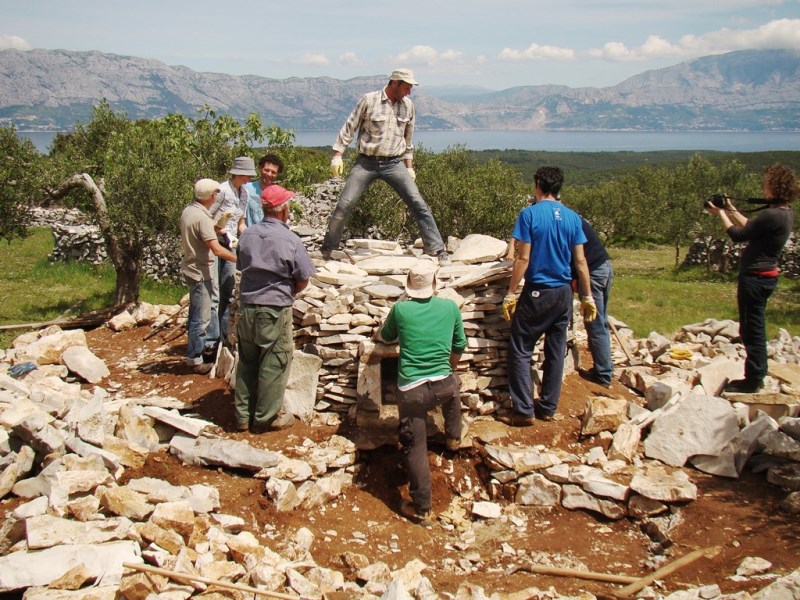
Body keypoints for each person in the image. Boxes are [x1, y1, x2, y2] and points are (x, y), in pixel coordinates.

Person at [322, 68, 450, 264]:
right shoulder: (369, 100)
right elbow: (349, 126)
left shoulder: (408, 106)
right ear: (395, 83)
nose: (409, 92)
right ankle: (328, 249)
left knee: (418, 203)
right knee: (345, 204)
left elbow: (408, 139)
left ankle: (437, 249)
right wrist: (337, 154)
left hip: (394, 163)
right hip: (366, 163)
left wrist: (409, 166)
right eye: (407, 87)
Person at [500, 166, 596, 426]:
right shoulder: (573, 218)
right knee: (555, 350)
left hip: (538, 291)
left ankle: (523, 410)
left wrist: (510, 293)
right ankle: (548, 407)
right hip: (564, 293)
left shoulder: (529, 214)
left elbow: (523, 258)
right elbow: (580, 261)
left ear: (538, 185)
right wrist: (587, 297)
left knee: (521, 348)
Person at [378, 259, 467, 527]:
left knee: (415, 446)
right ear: (434, 284)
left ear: (409, 285)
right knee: (453, 387)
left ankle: (423, 509)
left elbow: (386, 336)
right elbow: (459, 344)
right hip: (443, 386)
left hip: (412, 392)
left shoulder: (401, 309)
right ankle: (453, 437)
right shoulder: (450, 307)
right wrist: (450, 368)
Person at [707, 163, 797, 393]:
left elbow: (738, 235)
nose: (763, 187)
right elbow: (751, 227)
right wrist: (731, 208)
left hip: (755, 278)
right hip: (765, 276)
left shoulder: (772, 215)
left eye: (766, 184)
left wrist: (721, 214)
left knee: (751, 329)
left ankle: (753, 379)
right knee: (754, 325)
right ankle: (756, 374)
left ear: (775, 187)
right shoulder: (783, 213)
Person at [234, 184, 316, 433]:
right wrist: (290, 292)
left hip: (247, 307)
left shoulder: (247, 235)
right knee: (274, 362)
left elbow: (240, 265)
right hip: (275, 309)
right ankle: (265, 418)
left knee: (247, 362)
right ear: (283, 210)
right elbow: (303, 278)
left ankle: (242, 416)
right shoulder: (290, 240)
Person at [179, 179, 238, 374]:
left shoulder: (190, 211)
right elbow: (216, 249)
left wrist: (220, 225)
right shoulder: (202, 218)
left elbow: (207, 226)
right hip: (201, 270)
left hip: (191, 267)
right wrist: (239, 259)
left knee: (197, 312)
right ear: (211, 196)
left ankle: (201, 350)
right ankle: (195, 359)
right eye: (215, 193)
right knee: (201, 317)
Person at [207, 156, 256, 344]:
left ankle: (223, 336)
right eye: (246, 175)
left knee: (227, 289)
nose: (249, 179)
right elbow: (207, 216)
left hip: (231, 244)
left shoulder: (245, 194)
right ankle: (211, 339)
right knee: (214, 291)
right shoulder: (221, 191)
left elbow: (240, 222)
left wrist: (249, 237)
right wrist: (220, 230)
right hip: (214, 243)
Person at [575, 217, 614, 388]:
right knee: (601, 321)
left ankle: (603, 373)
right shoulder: (573, 218)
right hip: (603, 266)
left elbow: (578, 259)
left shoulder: (566, 222)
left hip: (592, 272)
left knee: (595, 322)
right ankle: (605, 366)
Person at [242, 153, 286, 228]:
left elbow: (282, 220)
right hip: (248, 233)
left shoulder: (279, 194)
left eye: (273, 172)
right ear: (260, 168)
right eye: (266, 170)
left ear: (277, 174)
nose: (269, 174)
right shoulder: (246, 188)